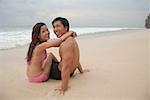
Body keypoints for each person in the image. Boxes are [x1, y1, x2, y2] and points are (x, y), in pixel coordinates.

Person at [52, 17, 89, 94]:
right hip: (71, 72)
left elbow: (66, 67)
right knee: (51, 56)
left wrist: (63, 88)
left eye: (58, 26)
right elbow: (73, 58)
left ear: (66, 28)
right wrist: (81, 71)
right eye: (54, 27)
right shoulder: (71, 39)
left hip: (59, 73)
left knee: (48, 56)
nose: (55, 29)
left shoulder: (66, 44)